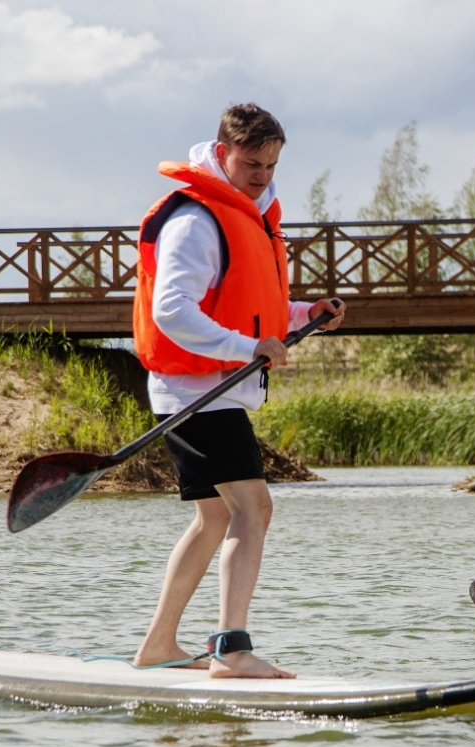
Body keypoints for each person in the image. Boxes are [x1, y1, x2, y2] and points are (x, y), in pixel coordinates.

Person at [130, 103, 344, 677]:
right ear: (221, 152)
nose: (262, 176)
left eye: (272, 165)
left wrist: (305, 312)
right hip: (195, 392)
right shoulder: (196, 220)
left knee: (215, 518)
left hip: (209, 389)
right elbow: (171, 311)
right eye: (252, 164)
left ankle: (158, 645)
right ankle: (232, 650)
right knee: (255, 507)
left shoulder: (249, 214)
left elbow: (252, 310)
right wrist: (245, 349)